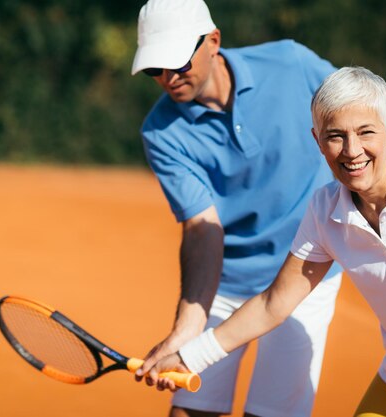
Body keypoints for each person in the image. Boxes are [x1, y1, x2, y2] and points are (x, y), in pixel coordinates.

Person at [139, 66, 386, 417]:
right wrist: (190, 356)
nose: (352, 151)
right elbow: (275, 303)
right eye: (335, 137)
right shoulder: (326, 210)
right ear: (317, 139)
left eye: (366, 132)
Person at [129, 0, 344, 416]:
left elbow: (361, 114)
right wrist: (187, 329)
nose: (168, 78)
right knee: (190, 412)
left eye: (176, 62)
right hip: (225, 282)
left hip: (307, 272)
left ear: (213, 41)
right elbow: (202, 228)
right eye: (155, 69)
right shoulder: (161, 132)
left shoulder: (291, 63)